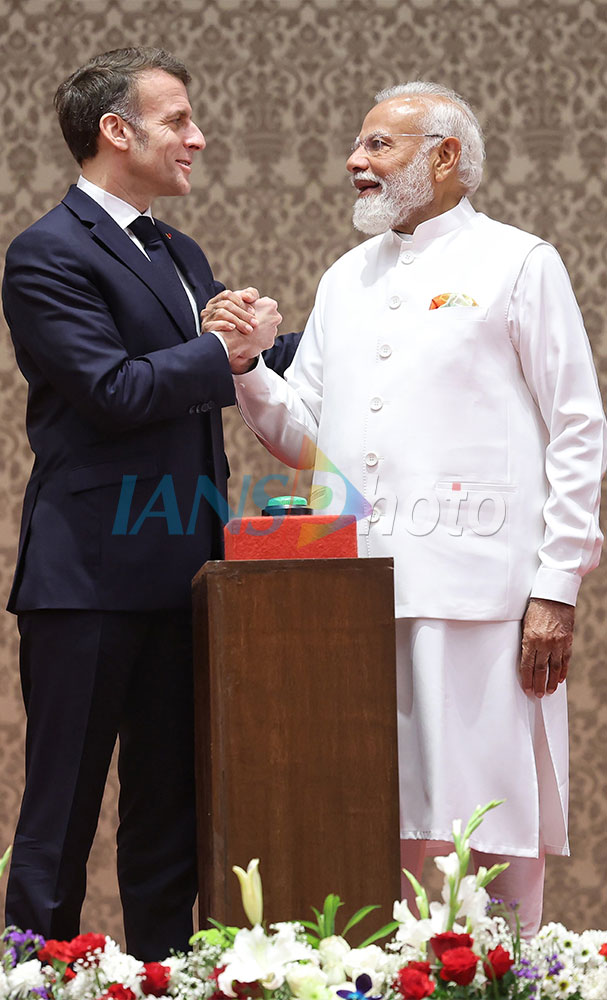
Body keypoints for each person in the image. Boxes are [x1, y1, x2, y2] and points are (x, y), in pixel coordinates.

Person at [232, 82, 606, 937]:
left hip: (483, 595)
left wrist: (556, 585)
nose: (355, 163)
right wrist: (250, 367)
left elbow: (578, 428)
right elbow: (305, 435)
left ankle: (498, 980)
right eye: (358, 147)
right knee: (374, 816)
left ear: (444, 157)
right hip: (353, 596)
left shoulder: (518, 261)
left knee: (486, 820)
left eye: (378, 146)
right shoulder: (345, 277)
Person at [2, 47, 299, 960]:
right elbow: (114, 390)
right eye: (178, 120)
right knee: (61, 813)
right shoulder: (45, 252)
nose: (198, 138)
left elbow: (225, 367)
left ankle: (164, 972)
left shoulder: (179, 248)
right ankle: (30, 981)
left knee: (172, 808)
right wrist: (227, 350)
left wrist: (342, 335)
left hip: (186, 572)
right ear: (115, 131)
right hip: (86, 575)